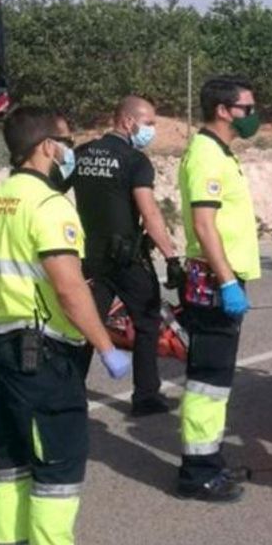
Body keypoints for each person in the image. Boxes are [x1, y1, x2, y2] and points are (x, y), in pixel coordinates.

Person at [0, 105, 131, 545]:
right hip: (41, 356)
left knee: (11, 465)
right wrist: (105, 346)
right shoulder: (50, 206)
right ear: (46, 148)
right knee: (58, 469)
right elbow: (68, 286)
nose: (70, 151)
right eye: (67, 141)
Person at [174, 76, 262, 503]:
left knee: (217, 379)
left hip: (222, 275)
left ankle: (211, 458)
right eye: (247, 108)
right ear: (225, 110)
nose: (253, 116)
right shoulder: (206, 155)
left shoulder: (219, 152)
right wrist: (227, 281)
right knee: (208, 380)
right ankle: (197, 471)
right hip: (214, 278)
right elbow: (205, 225)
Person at [71, 95, 179, 417]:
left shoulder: (82, 154)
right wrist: (171, 257)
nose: (152, 130)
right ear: (129, 121)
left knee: (85, 327)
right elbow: (150, 213)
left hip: (91, 256)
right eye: (149, 124)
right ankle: (146, 397)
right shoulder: (135, 161)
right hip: (128, 258)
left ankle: (71, 395)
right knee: (147, 323)